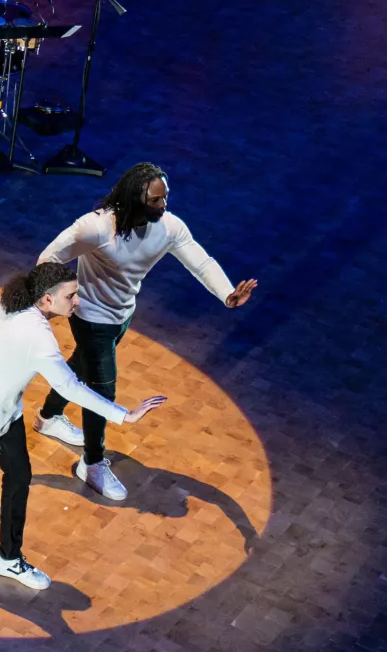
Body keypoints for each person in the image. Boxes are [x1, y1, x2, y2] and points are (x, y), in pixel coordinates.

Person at [0, 263, 167, 590]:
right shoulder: (38, 336)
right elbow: (70, 387)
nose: (77, 302)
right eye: (71, 296)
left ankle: (9, 558)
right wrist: (123, 415)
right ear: (46, 299)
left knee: (19, 476)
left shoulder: (6, 305)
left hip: (4, 412)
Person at [33, 162, 257, 501]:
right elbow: (49, 258)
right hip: (91, 318)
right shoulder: (95, 227)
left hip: (122, 315)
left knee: (81, 366)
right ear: (133, 198)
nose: (163, 205)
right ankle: (91, 463)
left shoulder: (169, 227)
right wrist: (60, 299)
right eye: (155, 200)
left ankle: (48, 416)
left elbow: (201, 262)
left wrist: (228, 294)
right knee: (103, 391)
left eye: (165, 198)